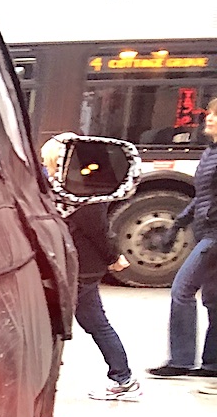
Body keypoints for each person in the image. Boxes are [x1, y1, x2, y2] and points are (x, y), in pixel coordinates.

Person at [42, 136, 141, 400]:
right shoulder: (62, 188)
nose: (45, 165)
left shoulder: (84, 193)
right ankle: (124, 377)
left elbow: (99, 232)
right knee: (93, 322)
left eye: (48, 160)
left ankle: (123, 378)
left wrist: (114, 258)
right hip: (77, 267)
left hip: (80, 269)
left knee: (55, 324)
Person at [147, 100, 217, 380]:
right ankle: (212, 363)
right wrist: (177, 225)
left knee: (182, 291)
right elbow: (202, 197)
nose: (208, 118)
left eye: (215, 115)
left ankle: (181, 360)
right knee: (213, 300)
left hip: (213, 237)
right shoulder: (210, 152)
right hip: (207, 233)